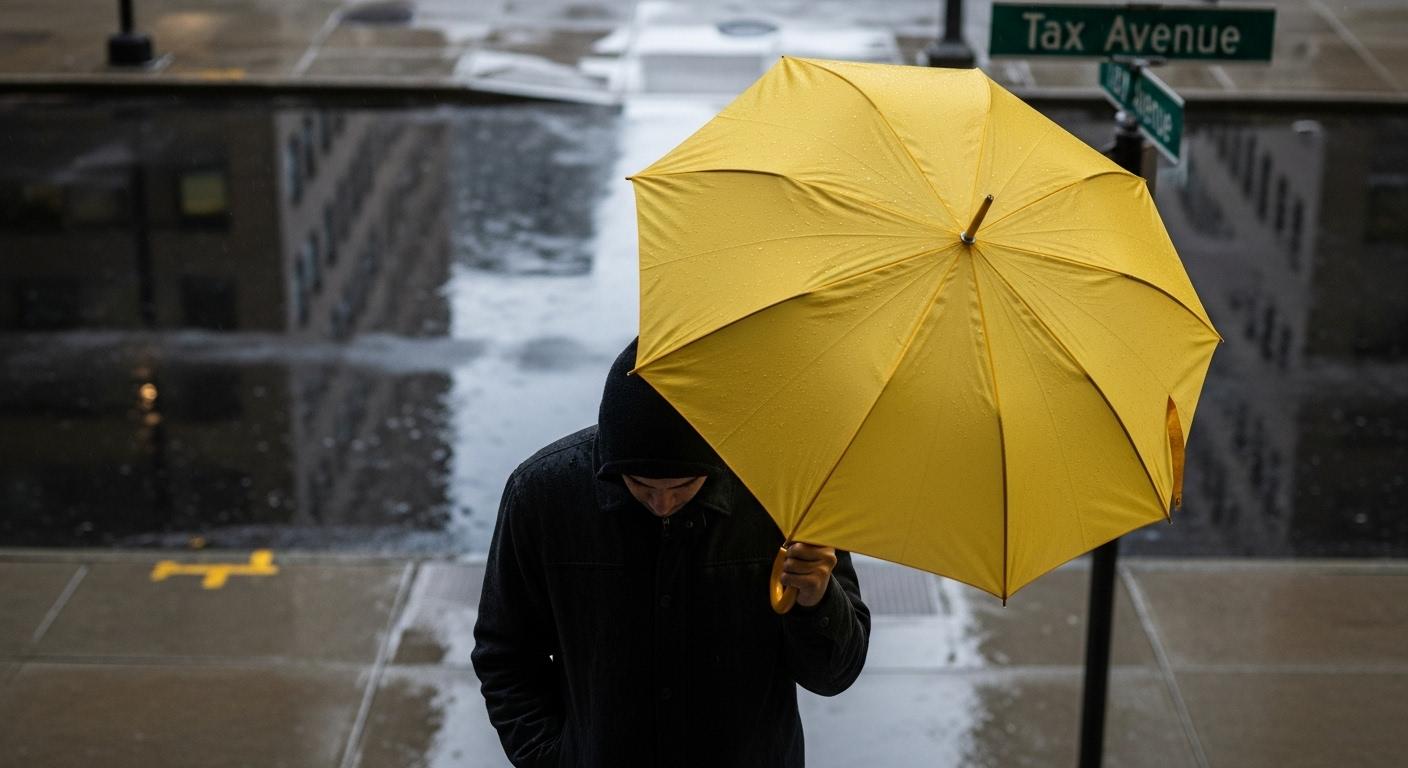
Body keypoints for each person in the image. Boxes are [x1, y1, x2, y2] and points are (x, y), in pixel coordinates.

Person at [472, 339, 870, 767]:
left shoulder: (787, 495)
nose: (662, 504)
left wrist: (816, 600)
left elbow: (834, 675)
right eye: (641, 487)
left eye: (682, 488)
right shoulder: (542, 496)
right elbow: (506, 653)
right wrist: (551, 758)